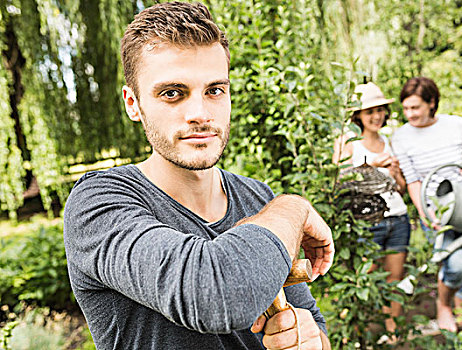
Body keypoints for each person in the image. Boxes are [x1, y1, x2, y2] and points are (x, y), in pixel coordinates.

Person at [63, 2, 334, 349]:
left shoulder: (259, 199)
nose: (200, 113)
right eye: (172, 93)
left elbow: (316, 325)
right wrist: (295, 208)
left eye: (214, 90)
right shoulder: (98, 202)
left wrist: (312, 340)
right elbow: (216, 295)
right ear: (133, 103)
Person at [392, 77, 462, 332]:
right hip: (434, 210)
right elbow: (413, 180)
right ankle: (443, 305)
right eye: (406, 108)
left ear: (431, 103)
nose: (409, 114)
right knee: (455, 264)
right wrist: (425, 213)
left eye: (415, 108)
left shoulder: (456, 125)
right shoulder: (401, 137)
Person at [332, 82, 410, 336]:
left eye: (380, 110)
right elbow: (336, 183)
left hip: (397, 218)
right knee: (363, 278)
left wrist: (396, 173)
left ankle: (391, 332)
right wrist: (369, 166)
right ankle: (350, 333)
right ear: (358, 116)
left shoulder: (389, 141)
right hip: (367, 221)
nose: (377, 116)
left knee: (394, 280)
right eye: (370, 112)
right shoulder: (349, 142)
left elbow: (400, 189)